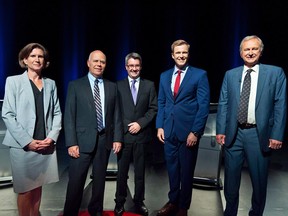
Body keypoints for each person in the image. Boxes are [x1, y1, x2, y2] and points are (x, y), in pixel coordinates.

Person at [216, 35, 287, 216]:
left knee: (259, 181)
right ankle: (229, 213)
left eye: (254, 49)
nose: (250, 52)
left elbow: (281, 104)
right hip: (234, 133)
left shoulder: (275, 73)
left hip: (258, 134)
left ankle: (256, 213)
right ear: (240, 53)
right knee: (231, 181)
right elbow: (223, 103)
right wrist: (220, 130)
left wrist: (277, 134)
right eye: (246, 49)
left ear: (260, 52)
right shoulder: (230, 75)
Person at [1, 43, 62, 216]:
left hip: (45, 144)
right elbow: (8, 114)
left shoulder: (50, 84)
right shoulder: (13, 81)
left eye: (40, 56)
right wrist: (28, 142)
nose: (37, 59)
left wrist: (51, 137)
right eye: (33, 56)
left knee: (37, 187)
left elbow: (57, 113)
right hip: (23, 147)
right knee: (25, 190)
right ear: (25, 59)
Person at [63, 50, 123, 216]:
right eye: (95, 61)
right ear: (88, 63)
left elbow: (116, 115)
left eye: (102, 62)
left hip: (104, 140)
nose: (99, 64)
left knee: (99, 182)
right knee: (76, 183)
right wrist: (71, 142)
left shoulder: (112, 86)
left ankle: (95, 211)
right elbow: (69, 116)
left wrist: (117, 138)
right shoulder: (75, 85)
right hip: (80, 143)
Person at [156, 39, 210, 216]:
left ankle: (183, 207)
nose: (181, 56)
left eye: (184, 52)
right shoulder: (164, 76)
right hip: (168, 130)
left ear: (188, 54)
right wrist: (160, 126)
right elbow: (162, 102)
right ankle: (173, 201)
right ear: (172, 55)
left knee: (186, 172)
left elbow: (203, 106)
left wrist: (195, 132)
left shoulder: (199, 75)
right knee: (172, 170)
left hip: (188, 133)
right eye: (178, 53)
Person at [114, 52, 158, 216]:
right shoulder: (118, 86)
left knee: (140, 173)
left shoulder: (149, 85)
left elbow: (153, 108)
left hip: (142, 136)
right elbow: (115, 112)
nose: (134, 68)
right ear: (126, 67)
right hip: (124, 137)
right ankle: (119, 202)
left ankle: (139, 202)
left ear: (141, 67)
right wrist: (122, 132)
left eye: (137, 66)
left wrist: (140, 124)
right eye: (131, 66)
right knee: (122, 173)